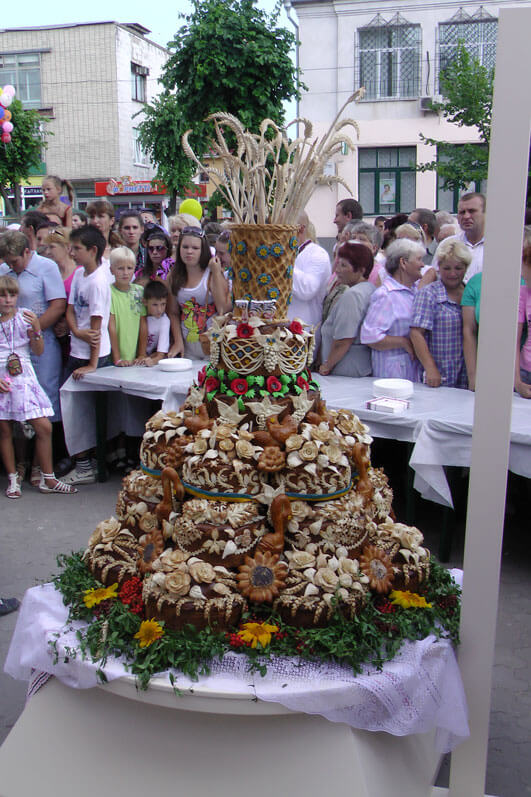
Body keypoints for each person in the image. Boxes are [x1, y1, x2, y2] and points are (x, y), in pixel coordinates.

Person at [0, 275, 76, 497]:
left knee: (44, 426)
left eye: (11, 295)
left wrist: (35, 327)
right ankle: (13, 479)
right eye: (2, 295)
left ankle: (48, 478)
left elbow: (39, 350)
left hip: (23, 375)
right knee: (4, 429)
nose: (7, 300)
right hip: (2, 375)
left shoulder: (25, 317)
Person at [62, 225, 111, 485]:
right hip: (77, 348)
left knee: (82, 412)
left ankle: (87, 466)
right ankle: (84, 462)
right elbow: (70, 311)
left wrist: (92, 364)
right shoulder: (80, 274)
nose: (72, 253)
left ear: (93, 250)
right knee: (75, 410)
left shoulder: (97, 282)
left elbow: (96, 328)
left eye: (77, 249)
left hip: (94, 356)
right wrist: (75, 332)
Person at [0, 231, 66, 423]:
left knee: (44, 391)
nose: (10, 266)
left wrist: (33, 331)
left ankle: (51, 445)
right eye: (7, 262)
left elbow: (58, 305)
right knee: (12, 396)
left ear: (27, 252)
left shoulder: (46, 267)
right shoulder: (4, 270)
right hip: (10, 346)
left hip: (40, 340)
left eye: (14, 261)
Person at [410, 238, 471, 388]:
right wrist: (430, 368)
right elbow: (416, 333)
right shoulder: (429, 294)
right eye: (447, 268)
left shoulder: (471, 293)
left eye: (458, 268)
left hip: (466, 373)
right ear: (438, 267)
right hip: (439, 374)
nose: (452, 273)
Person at [361, 238, 424, 381]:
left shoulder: (414, 291)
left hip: (410, 371)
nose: (423, 264)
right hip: (392, 374)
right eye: (419, 259)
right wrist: (403, 342)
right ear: (403, 262)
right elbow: (369, 336)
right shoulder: (386, 295)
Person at [167, 226, 230, 359]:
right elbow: (173, 312)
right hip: (188, 346)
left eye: (195, 248)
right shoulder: (173, 276)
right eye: (185, 247)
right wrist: (178, 342)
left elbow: (223, 308)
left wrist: (216, 272)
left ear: (203, 250)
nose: (189, 252)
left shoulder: (211, 273)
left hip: (213, 345)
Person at [319, 242, 375, 377]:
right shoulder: (370, 289)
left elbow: (343, 340)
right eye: (338, 264)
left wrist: (327, 365)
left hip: (346, 370)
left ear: (361, 270)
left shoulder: (352, 295)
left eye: (344, 265)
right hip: (359, 367)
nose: (337, 270)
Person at [287, 211, 331, 336]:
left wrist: (281, 262)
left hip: (305, 331)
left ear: (300, 229)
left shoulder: (317, 254)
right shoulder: (289, 253)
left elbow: (307, 289)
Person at [108, 247, 145, 366]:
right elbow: (111, 327)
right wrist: (117, 358)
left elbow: (142, 323)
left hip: (134, 355)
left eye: (129, 268)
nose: (125, 272)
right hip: (114, 357)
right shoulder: (109, 292)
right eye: (120, 268)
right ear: (111, 270)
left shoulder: (139, 291)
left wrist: (141, 354)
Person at [136, 280, 170, 366]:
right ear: (145, 302)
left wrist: (152, 361)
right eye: (155, 305)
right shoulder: (139, 316)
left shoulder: (164, 321)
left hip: (149, 358)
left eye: (163, 304)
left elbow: (161, 354)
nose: (159, 310)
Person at [514, 239, 531, 399]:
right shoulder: (523, 293)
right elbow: (514, 340)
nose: (521, 273)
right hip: (527, 372)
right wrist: (517, 381)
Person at [86, 199, 123, 267]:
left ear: (112, 221)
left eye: (100, 216)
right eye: (92, 217)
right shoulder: (83, 248)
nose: (95, 221)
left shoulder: (120, 250)